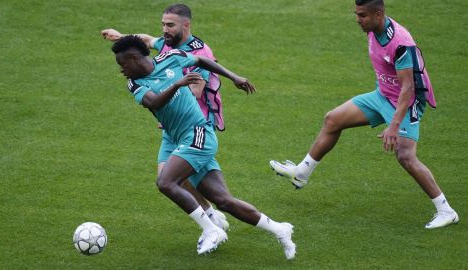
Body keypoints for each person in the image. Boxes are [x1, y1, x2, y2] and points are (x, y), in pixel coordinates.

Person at [270, 0, 459, 229]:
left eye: (362, 15)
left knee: (405, 156)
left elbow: (408, 88)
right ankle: (302, 173)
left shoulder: (400, 43)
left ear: (378, 14)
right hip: (382, 96)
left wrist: (393, 125)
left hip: (406, 102)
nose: (358, 20)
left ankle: (446, 210)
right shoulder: (373, 30)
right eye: (356, 14)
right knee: (333, 119)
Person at [111, 35, 296, 259]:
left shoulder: (171, 57)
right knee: (224, 200)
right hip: (175, 138)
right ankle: (280, 229)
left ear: (134, 58)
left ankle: (211, 229)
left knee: (166, 182)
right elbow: (153, 102)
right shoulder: (135, 83)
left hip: (198, 134)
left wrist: (233, 76)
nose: (121, 70)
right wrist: (177, 84)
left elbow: (201, 61)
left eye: (122, 64)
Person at [101, 4, 229, 232]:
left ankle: (212, 224)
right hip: (173, 127)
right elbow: (147, 41)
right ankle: (211, 218)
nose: (164, 30)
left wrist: (167, 91)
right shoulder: (169, 46)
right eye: (163, 24)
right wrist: (121, 37)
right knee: (169, 179)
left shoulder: (199, 54)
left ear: (185, 25)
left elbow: (196, 90)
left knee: (175, 179)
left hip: (196, 124)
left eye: (170, 25)